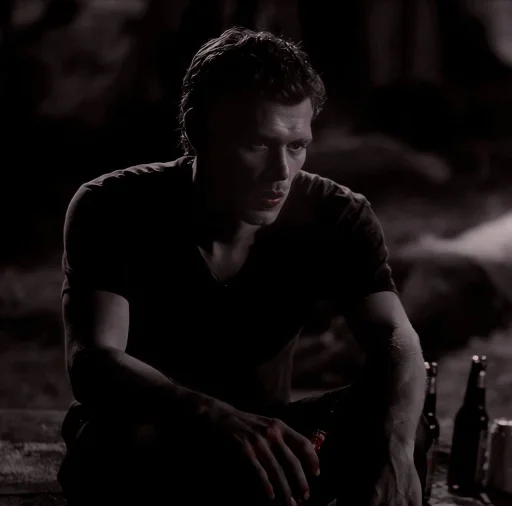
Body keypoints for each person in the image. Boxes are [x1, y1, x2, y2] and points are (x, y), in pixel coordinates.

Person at [57, 27, 430, 506]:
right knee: (116, 450)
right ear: (198, 132)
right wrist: (218, 418)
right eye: (258, 144)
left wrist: (396, 446)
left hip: (269, 434)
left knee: (397, 422)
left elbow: (396, 339)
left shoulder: (337, 214)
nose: (281, 173)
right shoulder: (113, 205)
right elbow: (94, 360)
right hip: (149, 430)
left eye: (297, 146)